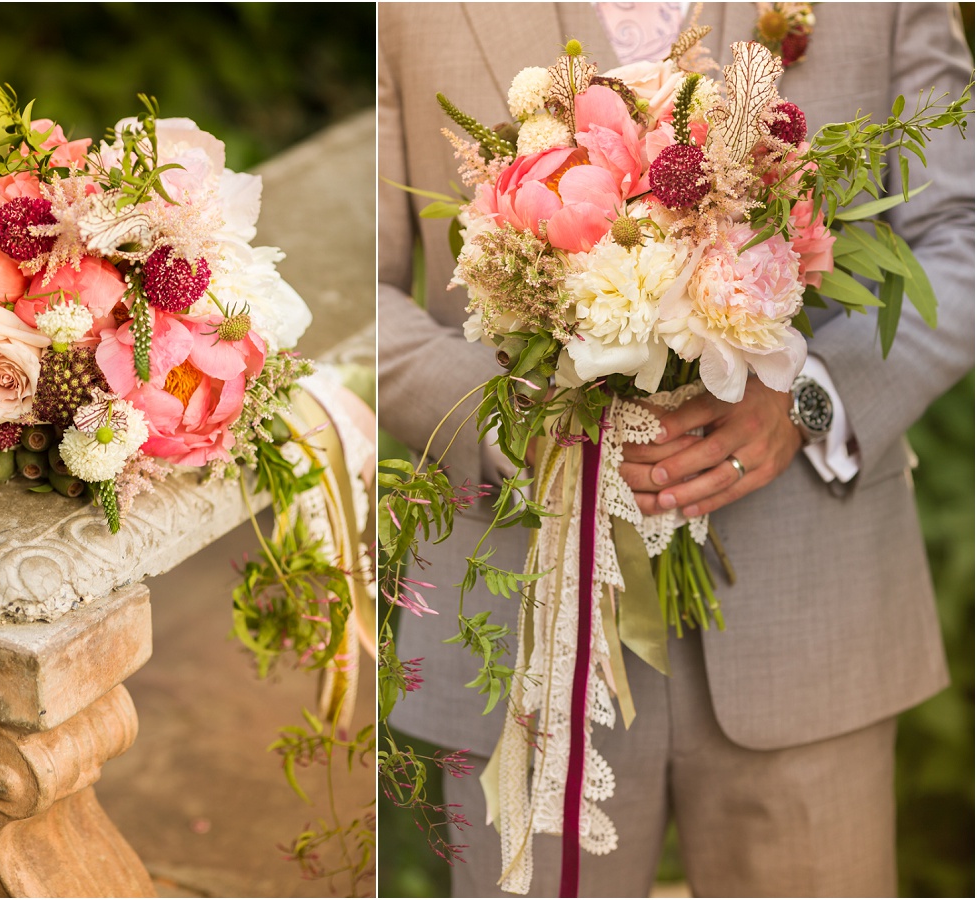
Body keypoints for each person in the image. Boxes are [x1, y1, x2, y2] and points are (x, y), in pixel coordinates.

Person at [378, 3, 974, 896]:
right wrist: (513, 421)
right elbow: (355, 281)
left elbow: (961, 234)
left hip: (812, 614)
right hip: (526, 624)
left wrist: (809, 398)